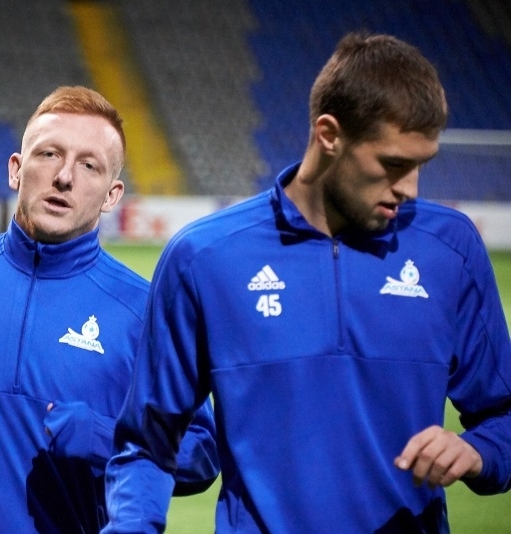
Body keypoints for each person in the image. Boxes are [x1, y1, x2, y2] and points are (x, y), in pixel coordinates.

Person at [103, 32, 511, 533]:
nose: (409, 188)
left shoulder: (451, 250)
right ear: (329, 134)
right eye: (393, 165)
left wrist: (478, 451)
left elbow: (504, 418)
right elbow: (146, 445)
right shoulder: (204, 258)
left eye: (421, 165)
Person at [0, 86, 219, 533]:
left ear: (112, 195)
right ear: (16, 169)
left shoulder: (142, 312)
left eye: (89, 165)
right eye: (49, 154)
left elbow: (201, 450)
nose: (64, 177)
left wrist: (105, 439)